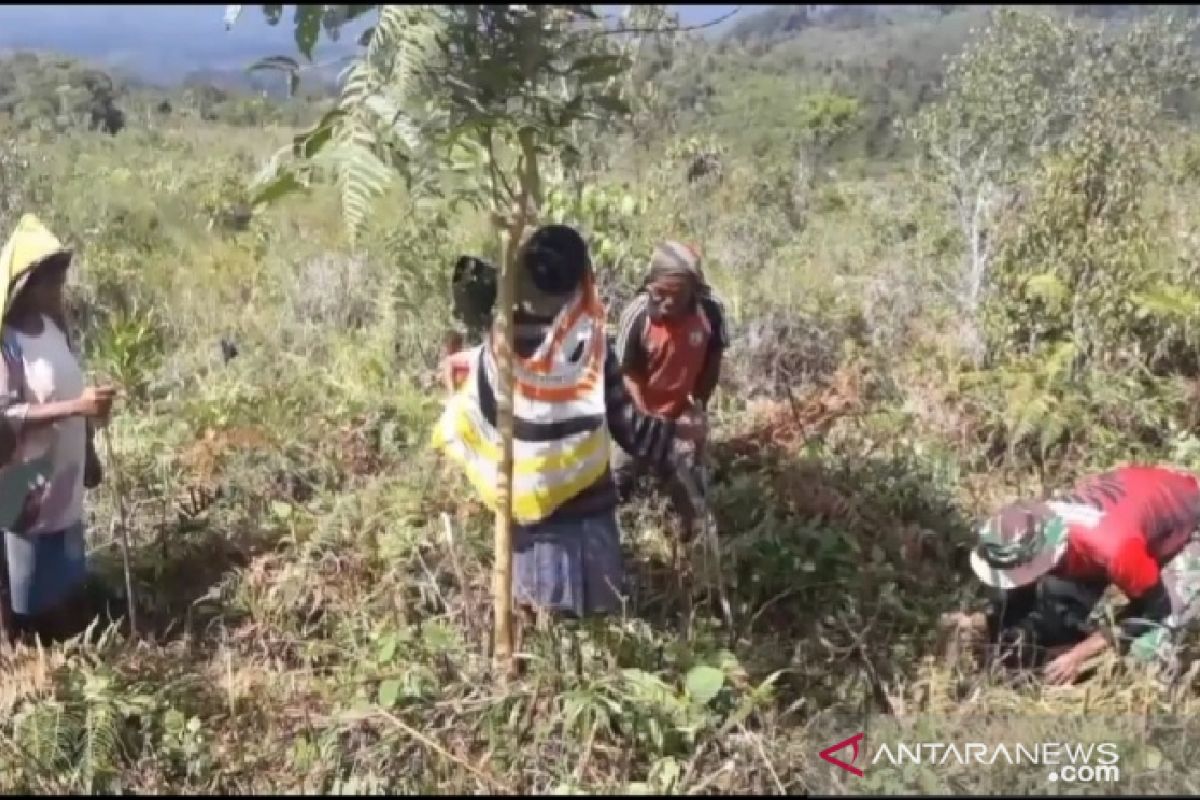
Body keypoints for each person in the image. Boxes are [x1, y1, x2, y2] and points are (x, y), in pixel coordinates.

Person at [432, 225, 704, 622]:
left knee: (537, 626)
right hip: (586, 519)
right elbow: (630, 429)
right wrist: (678, 434)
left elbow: (474, 396)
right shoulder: (590, 350)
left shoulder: (499, 341)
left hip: (525, 517)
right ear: (582, 281)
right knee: (594, 634)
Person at [963, 465, 1200, 685]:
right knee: (1052, 611)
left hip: (1189, 525)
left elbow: (1155, 609)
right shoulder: (1034, 523)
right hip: (1135, 511)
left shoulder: (1114, 551)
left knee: (1149, 650)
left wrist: (1080, 654)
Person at [0, 214, 118, 642]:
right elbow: (6, 415)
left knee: (64, 582)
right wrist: (76, 406)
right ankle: (31, 669)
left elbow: (71, 393)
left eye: (61, 280)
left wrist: (89, 441)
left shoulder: (54, 331)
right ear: (25, 286)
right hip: (26, 491)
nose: (58, 290)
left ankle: (65, 658)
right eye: (50, 282)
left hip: (62, 485)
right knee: (31, 598)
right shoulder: (7, 343)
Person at [613, 241, 729, 542]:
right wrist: (649, 429)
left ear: (692, 289)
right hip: (636, 418)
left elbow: (711, 363)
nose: (665, 301)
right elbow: (628, 376)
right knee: (617, 483)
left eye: (675, 295)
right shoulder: (637, 316)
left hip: (679, 414)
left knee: (693, 496)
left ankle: (691, 549)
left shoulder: (710, 314)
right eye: (659, 292)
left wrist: (698, 410)